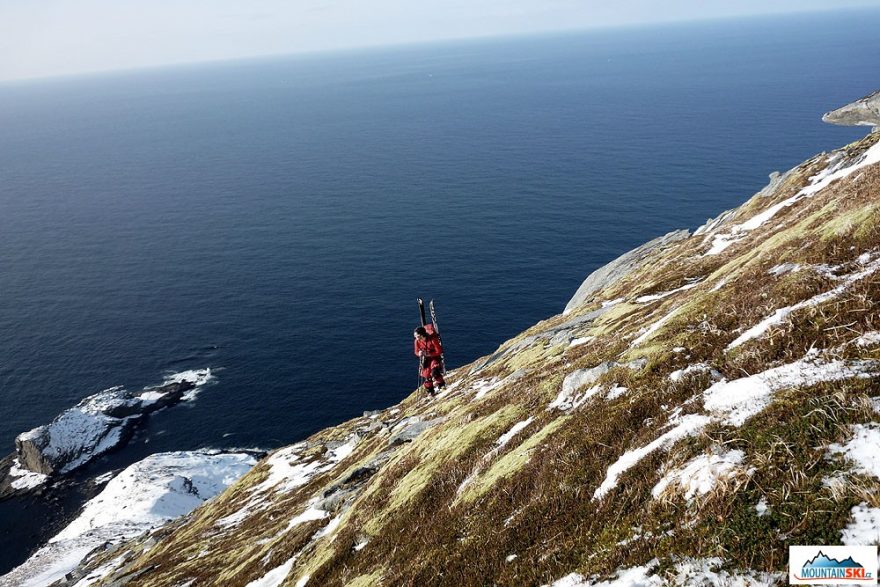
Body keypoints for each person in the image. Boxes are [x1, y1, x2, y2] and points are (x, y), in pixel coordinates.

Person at [414, 326, 445, 395]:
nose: (416, 338)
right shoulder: (417, 341)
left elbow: (439, 351)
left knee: (435, 372)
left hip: (435, 358)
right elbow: (416, 351)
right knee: (427, 376)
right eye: (415, 336)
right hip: (426, 359)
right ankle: (430, 391)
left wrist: (428, 354)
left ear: (422, 335)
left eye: (418, 336)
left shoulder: (432, 340)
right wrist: (419, 353)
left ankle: (442, 385)